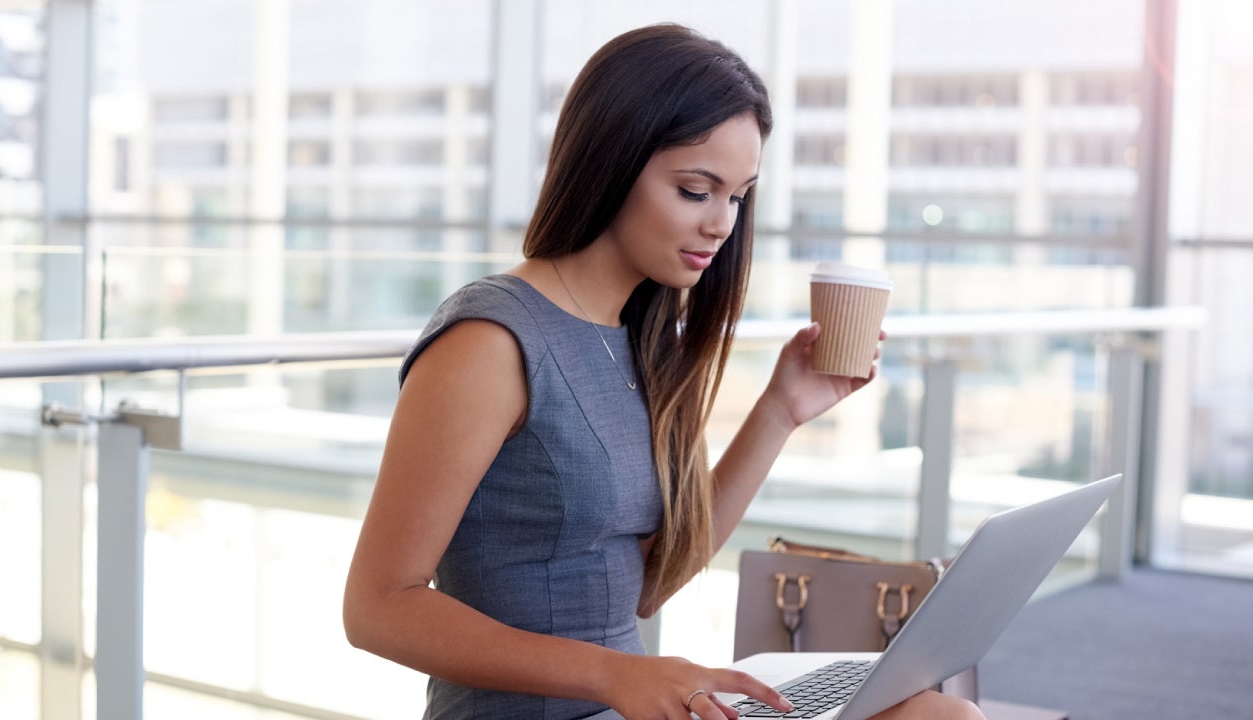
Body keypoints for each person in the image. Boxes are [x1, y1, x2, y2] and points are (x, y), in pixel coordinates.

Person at [343, 22, 985, 720]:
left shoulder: (645, 339)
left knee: (937, 712)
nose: (721, 224)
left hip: (629, 707)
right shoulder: (490, 340)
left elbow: (646, 587)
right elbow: (379, 608)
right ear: (611, 162)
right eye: (695, 189)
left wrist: (779, 412)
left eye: (737, 197)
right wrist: (614, 674)